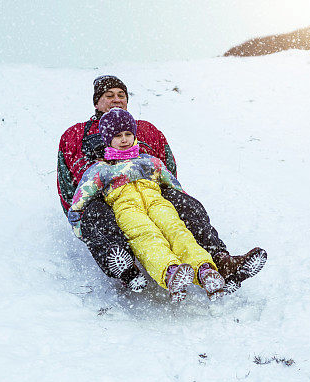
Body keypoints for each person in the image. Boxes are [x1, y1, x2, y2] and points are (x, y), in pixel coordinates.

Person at [57, 75, 266, 293]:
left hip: (151, 191)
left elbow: (168, 166)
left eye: (121, 95)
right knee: (95, 214)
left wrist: (166, 192)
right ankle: (125, 267)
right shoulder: (75, 134)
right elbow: (67, 184)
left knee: (188, 206)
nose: (116, 99)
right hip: (106, 195)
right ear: (96, 102)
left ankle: (221, 262)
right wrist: (77, 215)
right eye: (108, 95)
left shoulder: (145, 129)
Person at [68, 109, 226, 302]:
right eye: (117, 136)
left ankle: (204, 270)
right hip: (126, 209)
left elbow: (173, 186)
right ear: (107, 139)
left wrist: (183, 202)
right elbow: (79, 202)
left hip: (158, 203)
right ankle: (169, 272)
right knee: (146, 238)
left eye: (128, 134)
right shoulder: (100, 169)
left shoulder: (150, 161)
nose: (124, 139)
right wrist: (80, 230)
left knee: (178, 232)